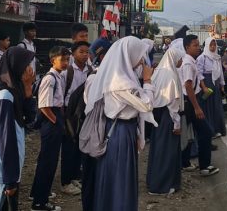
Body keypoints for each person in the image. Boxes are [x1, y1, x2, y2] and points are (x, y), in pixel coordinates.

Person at [84, 37, 157, 211]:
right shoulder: (119, 82)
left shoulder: (123, 77)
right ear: (128, 55)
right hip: (119, 134)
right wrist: (148, 81)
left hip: (123, 130)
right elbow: (146, 105)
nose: (141, 61)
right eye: (139, 56)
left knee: (118, 178)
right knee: (119, 179)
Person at [0, 47, 36, 211]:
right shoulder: (5, 96)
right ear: (16, 65)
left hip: (9, 166)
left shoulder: (15, 90)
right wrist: (11, 179)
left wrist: (28, 88)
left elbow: (30, 120)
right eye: (26, 64)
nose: (30, 69)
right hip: (3, 169)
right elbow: (6, 140)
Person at [29, 46, 69, 211]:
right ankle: (40, 201)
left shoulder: (58, 77)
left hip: (55, 118)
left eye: (67, 59)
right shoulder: (50, 78)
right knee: (48, 161)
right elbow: (44, 105)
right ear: (53, 60)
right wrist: (56, 122)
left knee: (49, 160)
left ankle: (39, 193)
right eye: (63, 59)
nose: (66, 63)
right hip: (51, 120)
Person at [147, 47, 185, 195]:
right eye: (180, 58)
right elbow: (172, 102)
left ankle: (158, 180)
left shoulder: (159, 71)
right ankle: (161, 185)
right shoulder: (170, 75)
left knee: (159, 149)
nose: (181, 61)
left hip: (158, 115)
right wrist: (177, 123)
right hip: (169, 117)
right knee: (166, 152)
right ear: (174, 58)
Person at [180, 35, 219, 176]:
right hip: (190, 102)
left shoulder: (192, 61)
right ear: (187, 47)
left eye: (198, 45)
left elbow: (198, 79)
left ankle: (184, 162)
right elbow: (188, 86)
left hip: (191, 100)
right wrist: (197, 107)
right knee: (205, 132)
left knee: (188, 132)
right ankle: (204, 166)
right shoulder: (188, 63)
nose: (198, 48)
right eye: (195, 45)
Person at [60, 41, 94, 196]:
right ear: (73, 53)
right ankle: (65, 182)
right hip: (68, 113)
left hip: (83, 113)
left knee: (79, 145)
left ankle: (75, 176)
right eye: (81, 52)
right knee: (68, 146)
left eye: (87, 52)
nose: (85, 55)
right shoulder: (67, 71)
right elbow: (60, 93)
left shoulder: (90, 71)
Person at [197, 37, 227, 137]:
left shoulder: (217, 57)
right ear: (207, 46)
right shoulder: (202, 58)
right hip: (207, 84)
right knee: (208, 109)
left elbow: (220, 73)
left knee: (217, 108)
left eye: (214, 45)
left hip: (216, 85)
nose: (213, 47)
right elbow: (199, 74)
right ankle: (210, 131)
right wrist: (204, 87)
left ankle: (217, 129)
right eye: (211, 45)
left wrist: (222, 85)